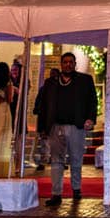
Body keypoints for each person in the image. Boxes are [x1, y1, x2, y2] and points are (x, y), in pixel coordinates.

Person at [33, 51, 96, 206]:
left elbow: (92, 101)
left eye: (71, 62)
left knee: (76, 159)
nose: (68, 64)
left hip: (76, 126)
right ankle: (56, 193)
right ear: (61, 64)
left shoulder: (85, 80)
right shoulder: (51, 83)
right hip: (56, 127)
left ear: (75, 64)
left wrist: (90, 119)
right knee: (56, 160)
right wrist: (42, 127)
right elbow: (43, 106)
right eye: (65, 62)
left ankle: (76, 189)